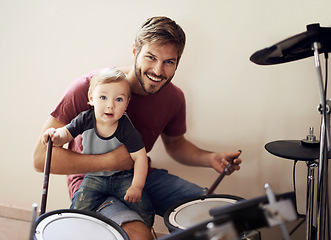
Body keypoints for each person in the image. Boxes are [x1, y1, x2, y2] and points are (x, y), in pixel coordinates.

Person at [33, 16, 242, 240]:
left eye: (169, 62)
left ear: (178, 62)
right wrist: (110, 161)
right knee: (138, 235)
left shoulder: (174, 97)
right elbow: (40, 158)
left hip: (141, 176)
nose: (158, 71)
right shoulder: (91, 87)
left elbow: (176, 144)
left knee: (219, 216)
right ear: (135, 51)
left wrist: (211, 158)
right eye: (151, 57)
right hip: (93, 181)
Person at [41, 68, 153, 224]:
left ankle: (148, 226)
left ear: (127, 103)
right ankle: (75, 229)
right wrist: (55, 135)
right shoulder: (85, 119)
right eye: (103, 97)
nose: (110, 105)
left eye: (118, 99)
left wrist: (136, 186)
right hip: (94, 176)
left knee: (145, 209)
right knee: (79, 208)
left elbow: (140, 157)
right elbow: (65, 135)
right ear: (91, 98)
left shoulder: (125, 127)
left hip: (123, 176)